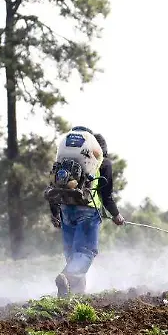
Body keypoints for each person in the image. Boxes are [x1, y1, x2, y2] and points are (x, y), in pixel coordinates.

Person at [45, 125, 124, 297]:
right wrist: (116, 215)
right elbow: (107, 195)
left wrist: (55, 213)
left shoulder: (67, 161)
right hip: (87, 210)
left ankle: (73, 294)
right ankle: (66, 277)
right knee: (86, 252)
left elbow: (54, 187)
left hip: (65, 209)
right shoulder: (104, 163)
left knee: (73, 253)